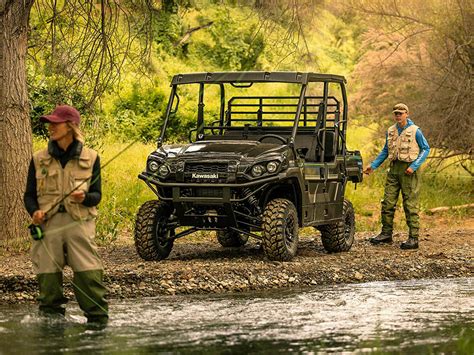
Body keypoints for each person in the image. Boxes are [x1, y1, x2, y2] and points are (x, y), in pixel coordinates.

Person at [24, 105, 108, 325]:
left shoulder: (92, 157)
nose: (50, 127)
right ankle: (51, 332)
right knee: (48, 284)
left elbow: (97, 195)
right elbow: (29, 196)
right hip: (48, 227)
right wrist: (34, 212)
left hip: (80, 225)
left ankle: (98, 327)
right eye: (49, 123)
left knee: (89, 277)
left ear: (70, 126)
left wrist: (85, 198)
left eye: (56, 123)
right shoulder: (37, 159)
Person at [363, 103, 430, 250]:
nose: (398, 116)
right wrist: (373, 166)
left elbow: (425, 149)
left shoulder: (415, 131)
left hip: (409, 170)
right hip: (394, 170)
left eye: (401, 113)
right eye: (396, 113)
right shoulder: (391, 130)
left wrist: (414, 166)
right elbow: (385, 151)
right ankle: (386, 234)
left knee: (409, 204)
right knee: (387, 202)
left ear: (407, 113)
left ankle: (413, 238)